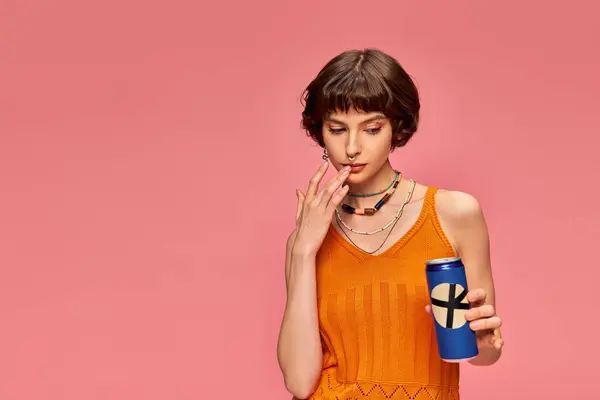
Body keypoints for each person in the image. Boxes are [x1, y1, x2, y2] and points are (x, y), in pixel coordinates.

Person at [276, 48, 504, 400]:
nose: (352, 147)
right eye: (337, 129)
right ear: (320, 132)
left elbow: (484, 351)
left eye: (371, 128)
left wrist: (485, 341)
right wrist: (303, 249)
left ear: (396, 128)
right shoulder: (305, 240)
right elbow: (299, 381)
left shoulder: (455, 213)